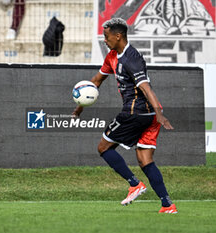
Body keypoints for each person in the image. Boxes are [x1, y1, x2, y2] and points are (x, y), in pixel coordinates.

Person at [73, 18, 177, 213]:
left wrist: (160, 114)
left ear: (118, 36)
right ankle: (167, 204)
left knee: (104, 147)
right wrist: (80, 105)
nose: (104, 40)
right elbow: (96, 80)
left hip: (136, 112)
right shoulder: (112, 56)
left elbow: (145, 88)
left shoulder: (132, 58)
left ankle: (134, 184)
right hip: (150, 115)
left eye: (106, 36)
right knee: (144, 158)